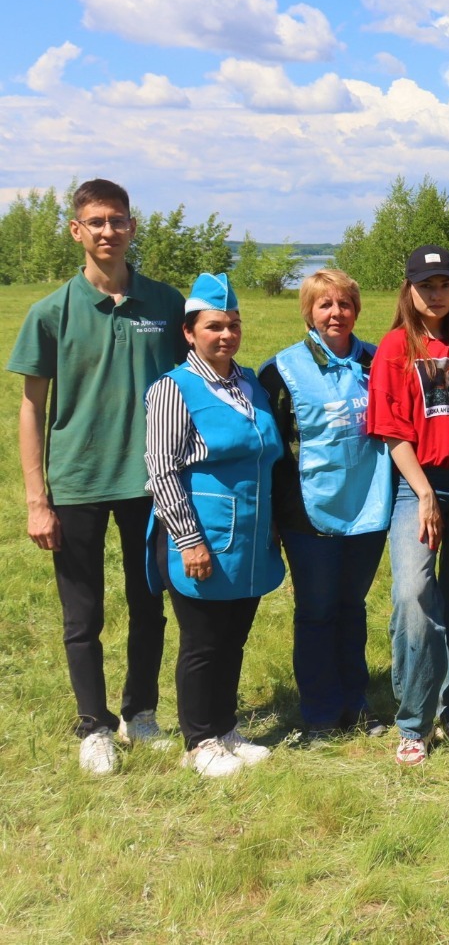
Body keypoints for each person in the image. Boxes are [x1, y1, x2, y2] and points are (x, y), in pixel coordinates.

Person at [8, 178, 186, 775]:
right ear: (77, 231)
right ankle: (93, 726)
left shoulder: (167, 306)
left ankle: (140, 713)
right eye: (96, 222)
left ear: (132, 226)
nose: (108, 231)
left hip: (152, 483)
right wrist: (38, 499)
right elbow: (32, 408)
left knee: (149, 604)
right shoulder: (50, 313)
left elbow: (194, 388)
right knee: (82, 615)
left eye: (118, 220)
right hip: (78, 481)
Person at [143, 273, 285, 777]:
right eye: (214, 327)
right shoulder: (172, 390)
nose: (226, 335)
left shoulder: (249, 385)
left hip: (248, 538)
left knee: (233, 637)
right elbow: (161, 469)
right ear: (189, 332)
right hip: (201, 538)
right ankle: (199, 741)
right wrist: (189, 541)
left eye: (233, 325)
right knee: (202, 643)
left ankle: (225, 728)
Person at [368, 245, 449, 767]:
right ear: (410, 291)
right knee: (414, 594)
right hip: (415, 485)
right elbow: (392, 433)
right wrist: (424, 494)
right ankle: (413, 721)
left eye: (444, 284)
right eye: (426, 286)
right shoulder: (396, 348)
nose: (436, 294)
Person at [258, 268, 393, 742]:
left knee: (351, 607)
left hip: (369, 507)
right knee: (316, 612)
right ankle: (318, 712)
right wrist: (274, 515)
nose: (336, 313)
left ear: (357, 308)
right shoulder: (280, 370)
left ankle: (355, 703)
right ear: (309, 312)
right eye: (324, 305)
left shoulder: (379, 361)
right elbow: (271, 448)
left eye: (344, 304)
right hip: (306, 513)